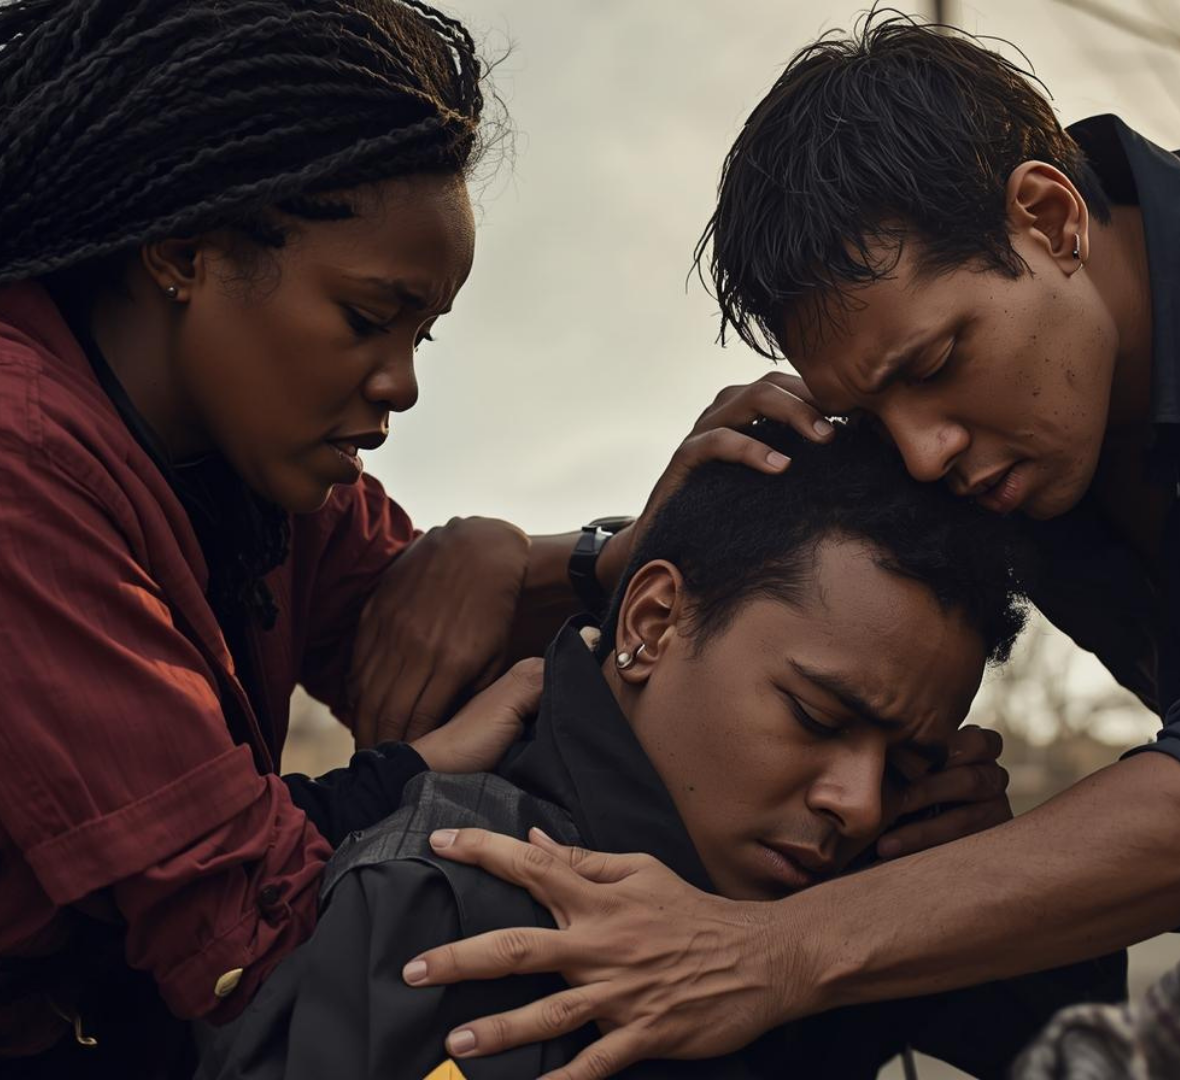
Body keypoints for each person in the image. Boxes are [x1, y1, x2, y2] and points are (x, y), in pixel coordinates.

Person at [0, 3, 845, 1076]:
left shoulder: (262, 470)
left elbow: (410, 627)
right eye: (368, 318)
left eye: (421, 333)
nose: (402, 384)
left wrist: (626, 553)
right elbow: (241, 934)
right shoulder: (22, 458)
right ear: (183, 252)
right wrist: (421, 769)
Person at [387, 14, 1180, 1079]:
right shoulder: (1027, 430)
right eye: (872, 411)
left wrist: (773, 952)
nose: (923, 455)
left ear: (1049, 218)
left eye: (934, 363)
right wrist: (577, 556)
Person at [194, 422, 1125, 1080]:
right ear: (651, 621)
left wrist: (978, 886)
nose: (860, 802)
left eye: (908, 763)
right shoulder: (447, 907)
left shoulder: (851, 905)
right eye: (814, 716)